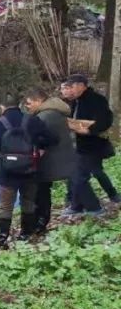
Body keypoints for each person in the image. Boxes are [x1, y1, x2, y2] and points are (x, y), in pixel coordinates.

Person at [0, 93, 54, 249]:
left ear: (2, 107)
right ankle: (26, 234)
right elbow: (50, 138)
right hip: (30, 170)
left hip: (7, 172)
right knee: (28, 201)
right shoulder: (32, 119)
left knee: (5, 206)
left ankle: (1, 240)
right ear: (19, 105)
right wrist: (40, 149)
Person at [61, 74, 117, 216]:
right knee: (77, 175)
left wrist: (89, 130)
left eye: (72, 86)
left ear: (81, 85)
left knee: (79, 177)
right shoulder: (76, 101)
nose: (70, 90)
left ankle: (94, 208)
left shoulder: (97, 100)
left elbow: (105, 121)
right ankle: (76, 206)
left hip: (93, 145)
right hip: (80, 144)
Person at [25, 88, 78, 234]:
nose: (27, 107)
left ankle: (40, 223)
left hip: (47, 161)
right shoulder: (58, 112)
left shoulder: (43, 117)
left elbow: (41, 139)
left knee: (41, 192)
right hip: (63, 158)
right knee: (44, 191)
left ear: (38, 101)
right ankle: (42, 221)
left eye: (29, 103)